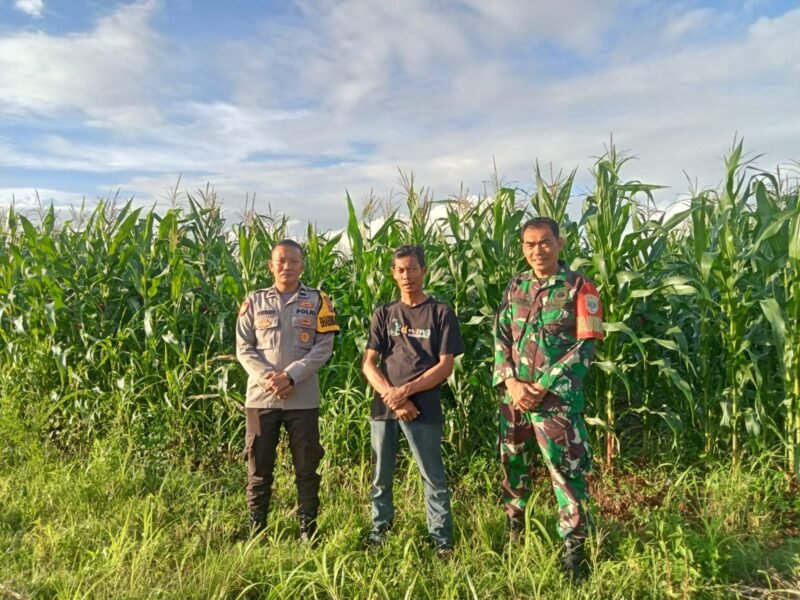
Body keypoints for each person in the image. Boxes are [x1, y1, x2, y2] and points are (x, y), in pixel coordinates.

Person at [493, 217, 604, 582]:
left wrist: (544, 384)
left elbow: (586, 345)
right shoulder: (516, 286)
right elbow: (501, 339)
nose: (537, 251)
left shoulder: (579, 288)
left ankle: (574, 552)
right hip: (515, 400)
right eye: (529, 244)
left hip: (555, 402)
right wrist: (510, 381)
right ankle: (515, 534)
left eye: (544, 243)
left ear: (559, 244)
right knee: (514, 468)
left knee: (567, 475)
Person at [362, 245, 465, 553]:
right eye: (401, 270)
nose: (407, 275)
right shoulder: (384, 313)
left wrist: (405, 393)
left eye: (413, 268)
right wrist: (392, 397)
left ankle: (441, 542)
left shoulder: (440, 313)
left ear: (424, 270)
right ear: (394, 274)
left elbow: (445, 366)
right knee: (381, 475)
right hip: (384, 408)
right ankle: (380, 534)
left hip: (425, 408)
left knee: (432, 476)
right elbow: (369, 363)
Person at [236, 239, 339, 541]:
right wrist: (269, 377)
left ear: (302, 266)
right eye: (280, 261)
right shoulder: (254, 302)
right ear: (270, 265)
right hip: (260, 398)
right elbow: (244, 348)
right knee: (258, 467)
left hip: (302, 401)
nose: (287, 267)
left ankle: (308, 529)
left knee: (307, 467)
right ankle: (257, 530)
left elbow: (324, 347)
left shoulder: (320, 301)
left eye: (293, 261)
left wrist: (291, 377)